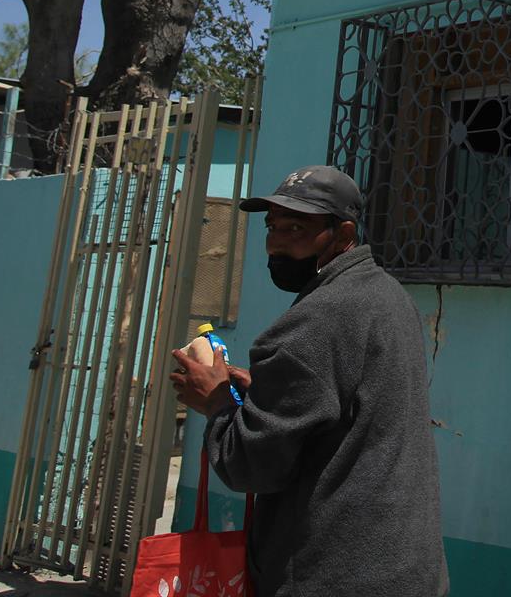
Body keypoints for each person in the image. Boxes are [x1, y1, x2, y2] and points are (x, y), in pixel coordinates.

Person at [171, 165, 448, 597]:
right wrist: (260, 393)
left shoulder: (314, 323)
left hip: (331, 575)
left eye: (296, 227)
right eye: (272, 226)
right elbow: (340, 410)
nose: (276, 241)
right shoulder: (389, 296)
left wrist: (216, 402)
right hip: (406, 569)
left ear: (342, 234)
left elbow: (250, 466)